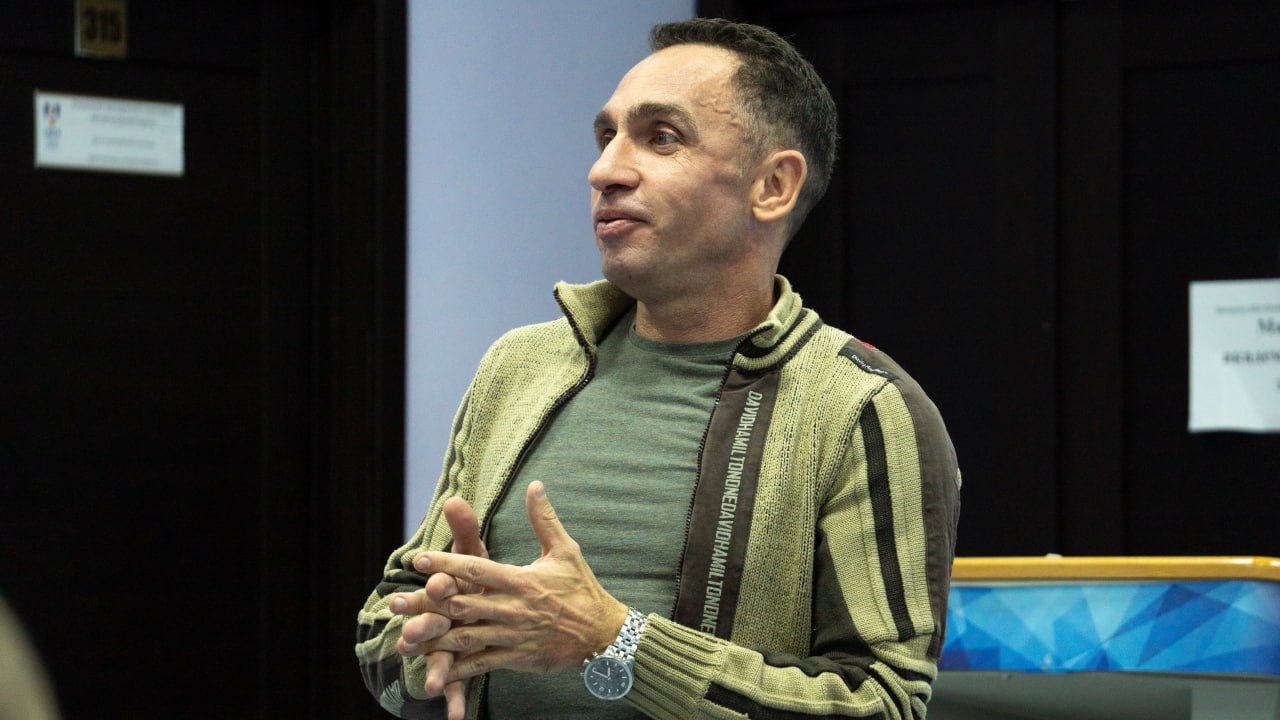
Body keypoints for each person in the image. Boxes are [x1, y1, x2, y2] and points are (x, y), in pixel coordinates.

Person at [356, 18, 960, 720]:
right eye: (606, 136)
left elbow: (882, 702)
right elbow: (383, 629)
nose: (605, 170)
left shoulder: (861, 407)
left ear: (772, 186)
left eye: (661, 137)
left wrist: (613, 641)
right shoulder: (518, 368)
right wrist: (431, 641)